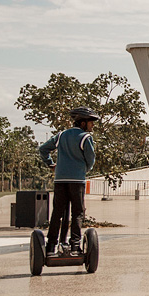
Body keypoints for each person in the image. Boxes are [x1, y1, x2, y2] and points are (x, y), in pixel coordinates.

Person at [38, 106, 98, 255]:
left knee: (57, 212)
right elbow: (91, 160)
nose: (93, 125)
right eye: (91, 122)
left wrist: (50, 164)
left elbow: (43, 149)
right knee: (77, 213)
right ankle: (75, 246)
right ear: (83, 123)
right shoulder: (85, 137)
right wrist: (84, 169)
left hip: (60, 180)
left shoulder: (61, 135)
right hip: (77, 181)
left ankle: (51, 245)